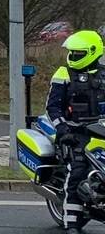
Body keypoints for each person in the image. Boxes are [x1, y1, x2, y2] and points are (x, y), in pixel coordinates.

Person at [46, 30, 105, 229]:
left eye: (77, 53)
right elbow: (52, 107)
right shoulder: (63, 73)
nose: (72, 57)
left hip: (102, 131)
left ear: (93, 52)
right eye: (71, 52)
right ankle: (71, 223)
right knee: (77, 170)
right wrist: (63, 129)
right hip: (76, 133)